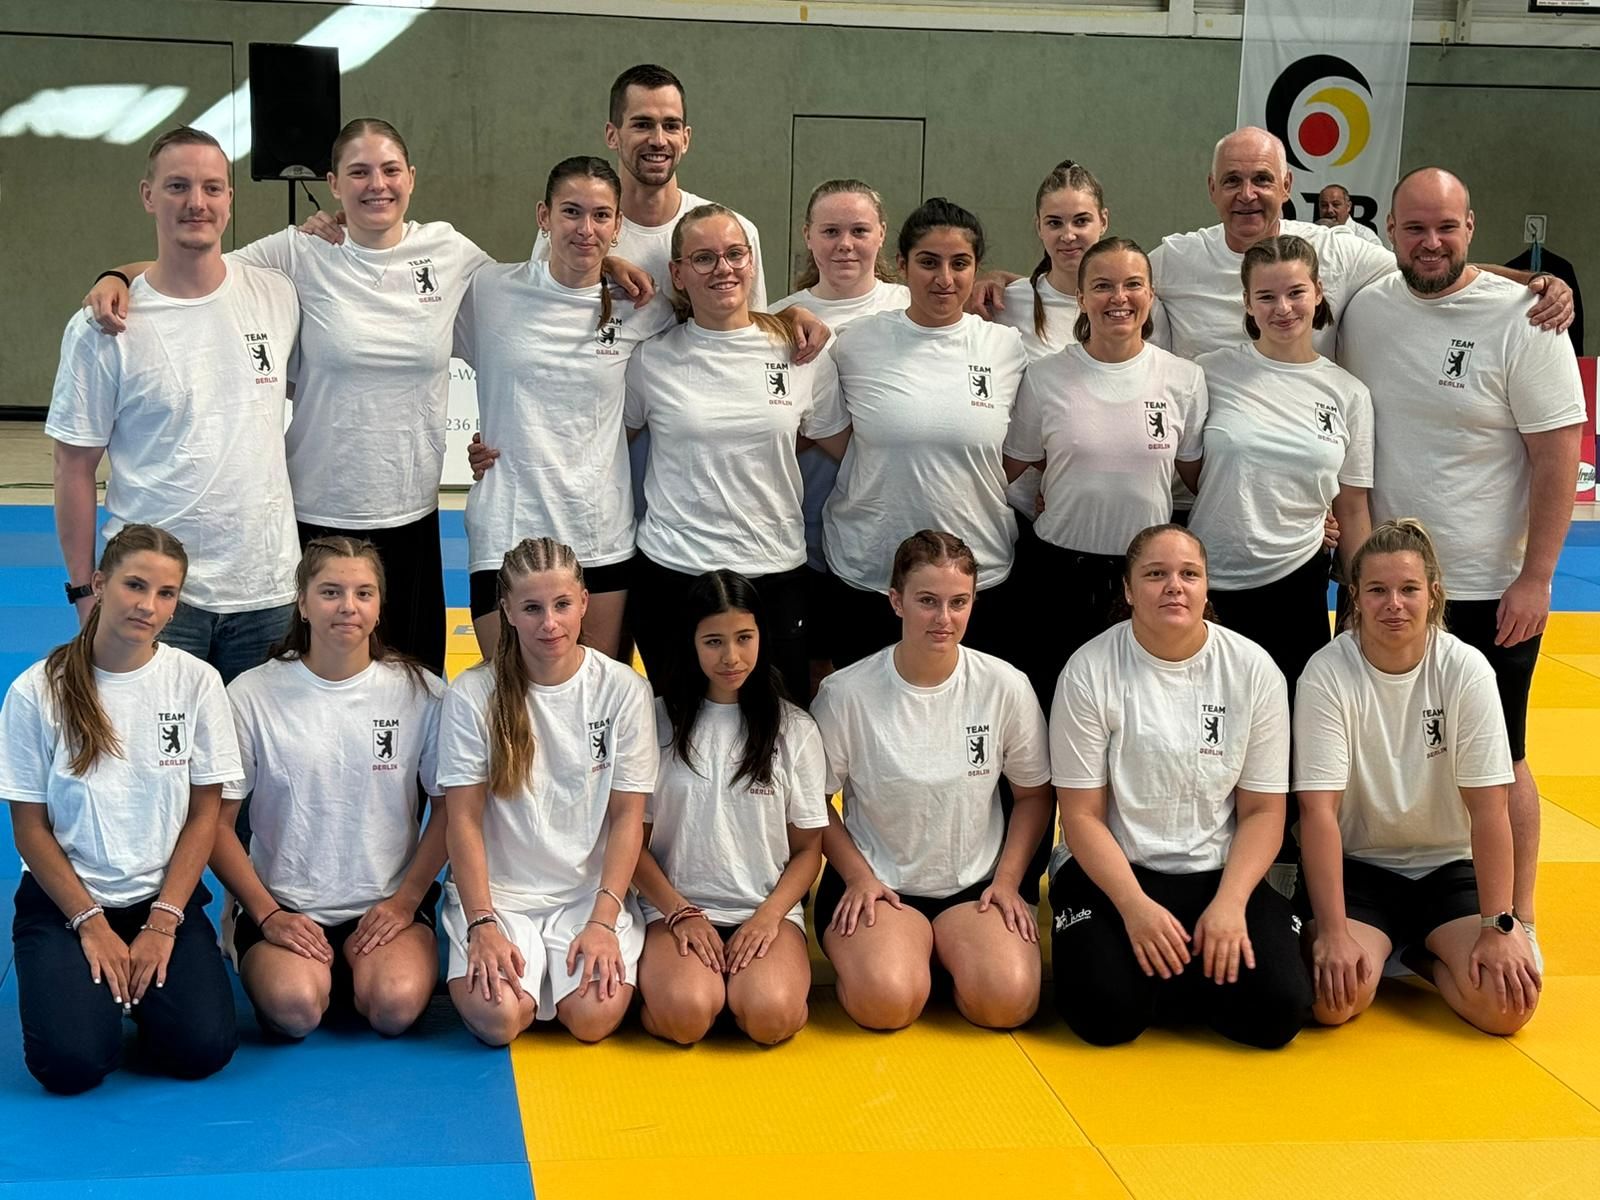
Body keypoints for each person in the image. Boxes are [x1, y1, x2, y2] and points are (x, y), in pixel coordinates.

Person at [86, 118, 494, 674]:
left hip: (412, 513)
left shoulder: (448, 251)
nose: (377, 184)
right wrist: (114, 275)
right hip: (316, 513)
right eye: (359, 172)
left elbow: (523, 302)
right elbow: (193, 266)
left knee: (416, 683)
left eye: (390, 170)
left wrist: (605, 261)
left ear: (412, 178)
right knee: (314, 689)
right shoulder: (300, 251)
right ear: (334, 183)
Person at [1337, 167, 1584, 957]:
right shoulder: (1366, 306)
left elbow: (1558, 455)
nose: (1431, 242)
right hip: (1382, 586)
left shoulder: (1525, 318)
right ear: (1390, 233)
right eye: (1414, 227)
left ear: (1472, 226)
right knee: (1376, 751)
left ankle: (1519, 917)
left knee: (1502, 755)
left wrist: (1537, 578)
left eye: (1446, 226)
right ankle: (1375, 901)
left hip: (1486, 586)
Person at [1148, 127, 1571, 519]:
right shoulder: (1174, 260)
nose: (1247, 194)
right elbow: (1118, 287)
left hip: (1300, 502)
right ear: (1212, 188)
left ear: (1287, 185)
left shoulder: (1337, 252)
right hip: (1196, 498)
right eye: (1232, 181)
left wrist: (1531, 279)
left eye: (1262, 179)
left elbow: (1428, 264)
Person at [52, 126, 299, 684]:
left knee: (256, 745)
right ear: (148, 195)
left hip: (266, 589)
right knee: (149, 742)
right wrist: (84, 592)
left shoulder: (276, 294)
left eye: (212, 188)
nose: (196, 203)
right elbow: (72, 467)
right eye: (178, 186)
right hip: (153, 593)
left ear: (230, 198)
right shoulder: (102, 327)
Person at [1049, 524, 1310, 1049]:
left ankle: (1170, 978)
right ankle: (1167, 975)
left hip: (1219, 874)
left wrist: (1231, 904)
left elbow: (1263, 812)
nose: (1174, 586)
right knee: (1103, 1015)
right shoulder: (1088, 670)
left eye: (1189, 574)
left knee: (1280, 1011)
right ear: (1128, 590)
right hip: (1117, 873)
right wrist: (1134, 908)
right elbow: (1080, 816)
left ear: (1207, 587)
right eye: (1155, 574)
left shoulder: (1253, 670)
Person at [1, 525, 238, 1093]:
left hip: (162, 898)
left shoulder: (196, 683)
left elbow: (204, 814)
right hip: (65, 903)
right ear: (100, 583)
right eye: (135, 585)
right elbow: (30, 829)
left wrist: (163, 921)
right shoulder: (38, 690)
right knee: (71, 1065)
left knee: (201, 1050)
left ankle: (134, 997)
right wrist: (91, 924)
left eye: (166, 593)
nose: (148, 606)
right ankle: (100, 999)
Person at [1294, 519, 1540, 1035]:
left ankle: (1413, 956)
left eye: (1408, 589)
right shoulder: (1327, 671)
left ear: (1433, 594)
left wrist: (1500, 925)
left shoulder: (1466, 669)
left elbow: (1490, 810)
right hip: (1360, 868)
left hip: (1447, 868)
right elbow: (1318, 812)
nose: (1394, 604)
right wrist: (1333, 932)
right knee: (1330, 1002)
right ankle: (1387, 949)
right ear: (1355, 597)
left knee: (1506, 1008)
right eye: (1377, 590)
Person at [812, 531, 1052, 1032]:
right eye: (927, 601)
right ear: (896, 601)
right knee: (886, 1003)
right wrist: (857, 877)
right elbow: (813, 802)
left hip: (975, 886)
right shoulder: (845, 693)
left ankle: (947, 952)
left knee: (1007, 1003)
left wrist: (1008, 882)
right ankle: (910, 955)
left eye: (958, 602)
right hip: (878, 884)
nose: (944, 618)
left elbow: (1032, 796)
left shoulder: (1006, 686)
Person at [212, 537, 447, 1039]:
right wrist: (266, 914)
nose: (348, 607)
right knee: (294, 1009)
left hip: (385, 904)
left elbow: (452, 812)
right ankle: (237, 929)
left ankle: (372, 963)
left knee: (395, 1007)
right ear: (302, 603)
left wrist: (406, 901)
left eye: (364, 593)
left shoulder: (422, 693)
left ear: (380, 607)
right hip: (285, 901)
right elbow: (215, 824)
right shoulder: (251, 694)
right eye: (330, 592)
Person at [624, 204, 849, 703]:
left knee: (777, 731)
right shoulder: (651, 360)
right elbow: (602, 441)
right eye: (704, 258)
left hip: (775, 571)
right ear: (678, 274)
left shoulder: (801, 352)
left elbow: (851, 451)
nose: (722, 268)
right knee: (680, 732)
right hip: (674, 572)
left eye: (734, 254)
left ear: (752, 261)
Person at [436, 537, 656, 1046]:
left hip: (586, 894)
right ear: (507, 611)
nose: (549, 623)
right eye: (532, 608)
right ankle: (525, 970)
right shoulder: (473, 693)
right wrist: (483, 923)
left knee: (593, 1020)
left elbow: (628, 816)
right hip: (500, 896)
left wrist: (604, 920)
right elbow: (462, 819)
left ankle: (559, 971)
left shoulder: (623, 689)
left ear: (584, 602)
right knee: (499, 1020)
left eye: (561, 605)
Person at [457, 156, 676, 663]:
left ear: (618, 226)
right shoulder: (489, 289)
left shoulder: (642, 307)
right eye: (571, 212)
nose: (585, 228)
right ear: (544, 216)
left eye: (601, 215)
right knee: (508, 696)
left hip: (599, 533)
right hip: (506, 529)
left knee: (595, 696)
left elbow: (718, 332)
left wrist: (793, 315)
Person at [1002, 236, 1207, 703]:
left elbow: (1203, 482)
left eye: (1133, 284)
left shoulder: (1184, 379)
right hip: (1057, 573)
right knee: (1054, 706)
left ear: (1150, 294)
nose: (1119, 298)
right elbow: (1010, 465)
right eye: (1102, 286)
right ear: (1080, 297)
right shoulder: (1045, 377)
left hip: (1146, 580)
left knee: (1138, 710)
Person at [824, 200, 1028, 667]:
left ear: (977, 268)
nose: (945, 279)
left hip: (977, 573)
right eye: (929, 262)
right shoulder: (855, 343)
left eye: (960, 264)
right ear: (901, 265)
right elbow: (833, 435)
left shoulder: (1005, 347)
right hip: (871, 571)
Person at [632, 570, 827, 1045]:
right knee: (685, 1016)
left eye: (744, 638)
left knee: (771, 1016)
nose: (731, 657)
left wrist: (768, 917)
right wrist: (679, 912)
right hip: (673, 908)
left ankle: (744, 992)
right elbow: (630, 843)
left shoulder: (794, 728)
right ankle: (689, 992)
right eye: (714, 642)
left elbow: (808, 850)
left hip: (764, 909)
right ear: (691, 643)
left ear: (762, 635)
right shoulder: (654, 722)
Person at [1189, 234, 1373, 696]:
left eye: (1295, 292)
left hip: (1298, 583)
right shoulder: (1208, 373)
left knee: (1291, 726)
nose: (1283, 308)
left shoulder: (1348, 394)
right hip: (1213, 584)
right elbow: (1180, 466)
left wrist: (1361, 596)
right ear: (1247, 303)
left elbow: (1352, 507)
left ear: (1318, 292)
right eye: (1267, 296)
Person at [770, 179, 909, 695]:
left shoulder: (911, 305)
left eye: (859, 231)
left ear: (882, 234)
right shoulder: (776, 319)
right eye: (830, 231)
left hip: (888, 529)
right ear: (807, 235)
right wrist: (823, 432)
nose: (845, 244)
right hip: (804, 533)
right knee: (817, 680)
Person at [993, 160, 1111, 575]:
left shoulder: (1134, 307)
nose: (1068, 235)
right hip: (1027, 509)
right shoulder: (1006, 304)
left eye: (1081, 220)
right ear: (1038, 227)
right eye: (1055, 223)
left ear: (1103, 221)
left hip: (1107, 507)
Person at [1315, 183, 1384, 245]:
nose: (1329, 210)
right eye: (1324, 205)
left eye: (1336, 204)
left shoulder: (1366, 238)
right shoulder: (1313, 233)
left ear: (1348, 206)